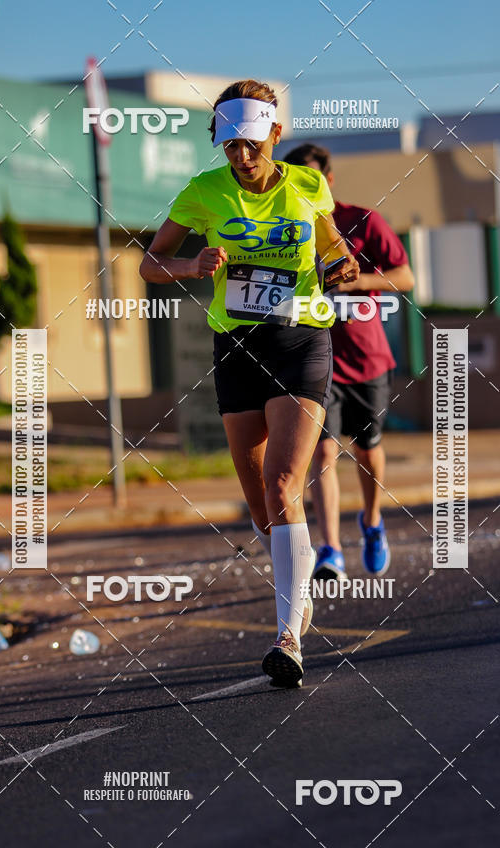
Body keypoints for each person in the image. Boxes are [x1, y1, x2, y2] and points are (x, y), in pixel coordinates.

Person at [139, 82, 359, 686]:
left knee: (284, 479)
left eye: (252, 144)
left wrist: (342, 264)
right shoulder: (204, 192)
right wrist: (191, 264)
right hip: (235, 346)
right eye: (230, 144)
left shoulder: (308, 186)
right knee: (262, 503)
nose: (241, 156)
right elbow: (149, 262)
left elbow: (337, 251)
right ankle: (299, 578)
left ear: (275, 136)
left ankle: (288, 635)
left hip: (300, 341)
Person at [283, 143, 415, 578]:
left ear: (328, 179)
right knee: (322, 452)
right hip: (317, 360)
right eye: (294, 175)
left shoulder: (363, 220)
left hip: (368, 359)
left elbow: (405, 277)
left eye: (310, 176)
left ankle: (373, 521)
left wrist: (359, 282)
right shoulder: (283, 226)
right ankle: (331, 549)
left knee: (368, 451)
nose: (302, 184)